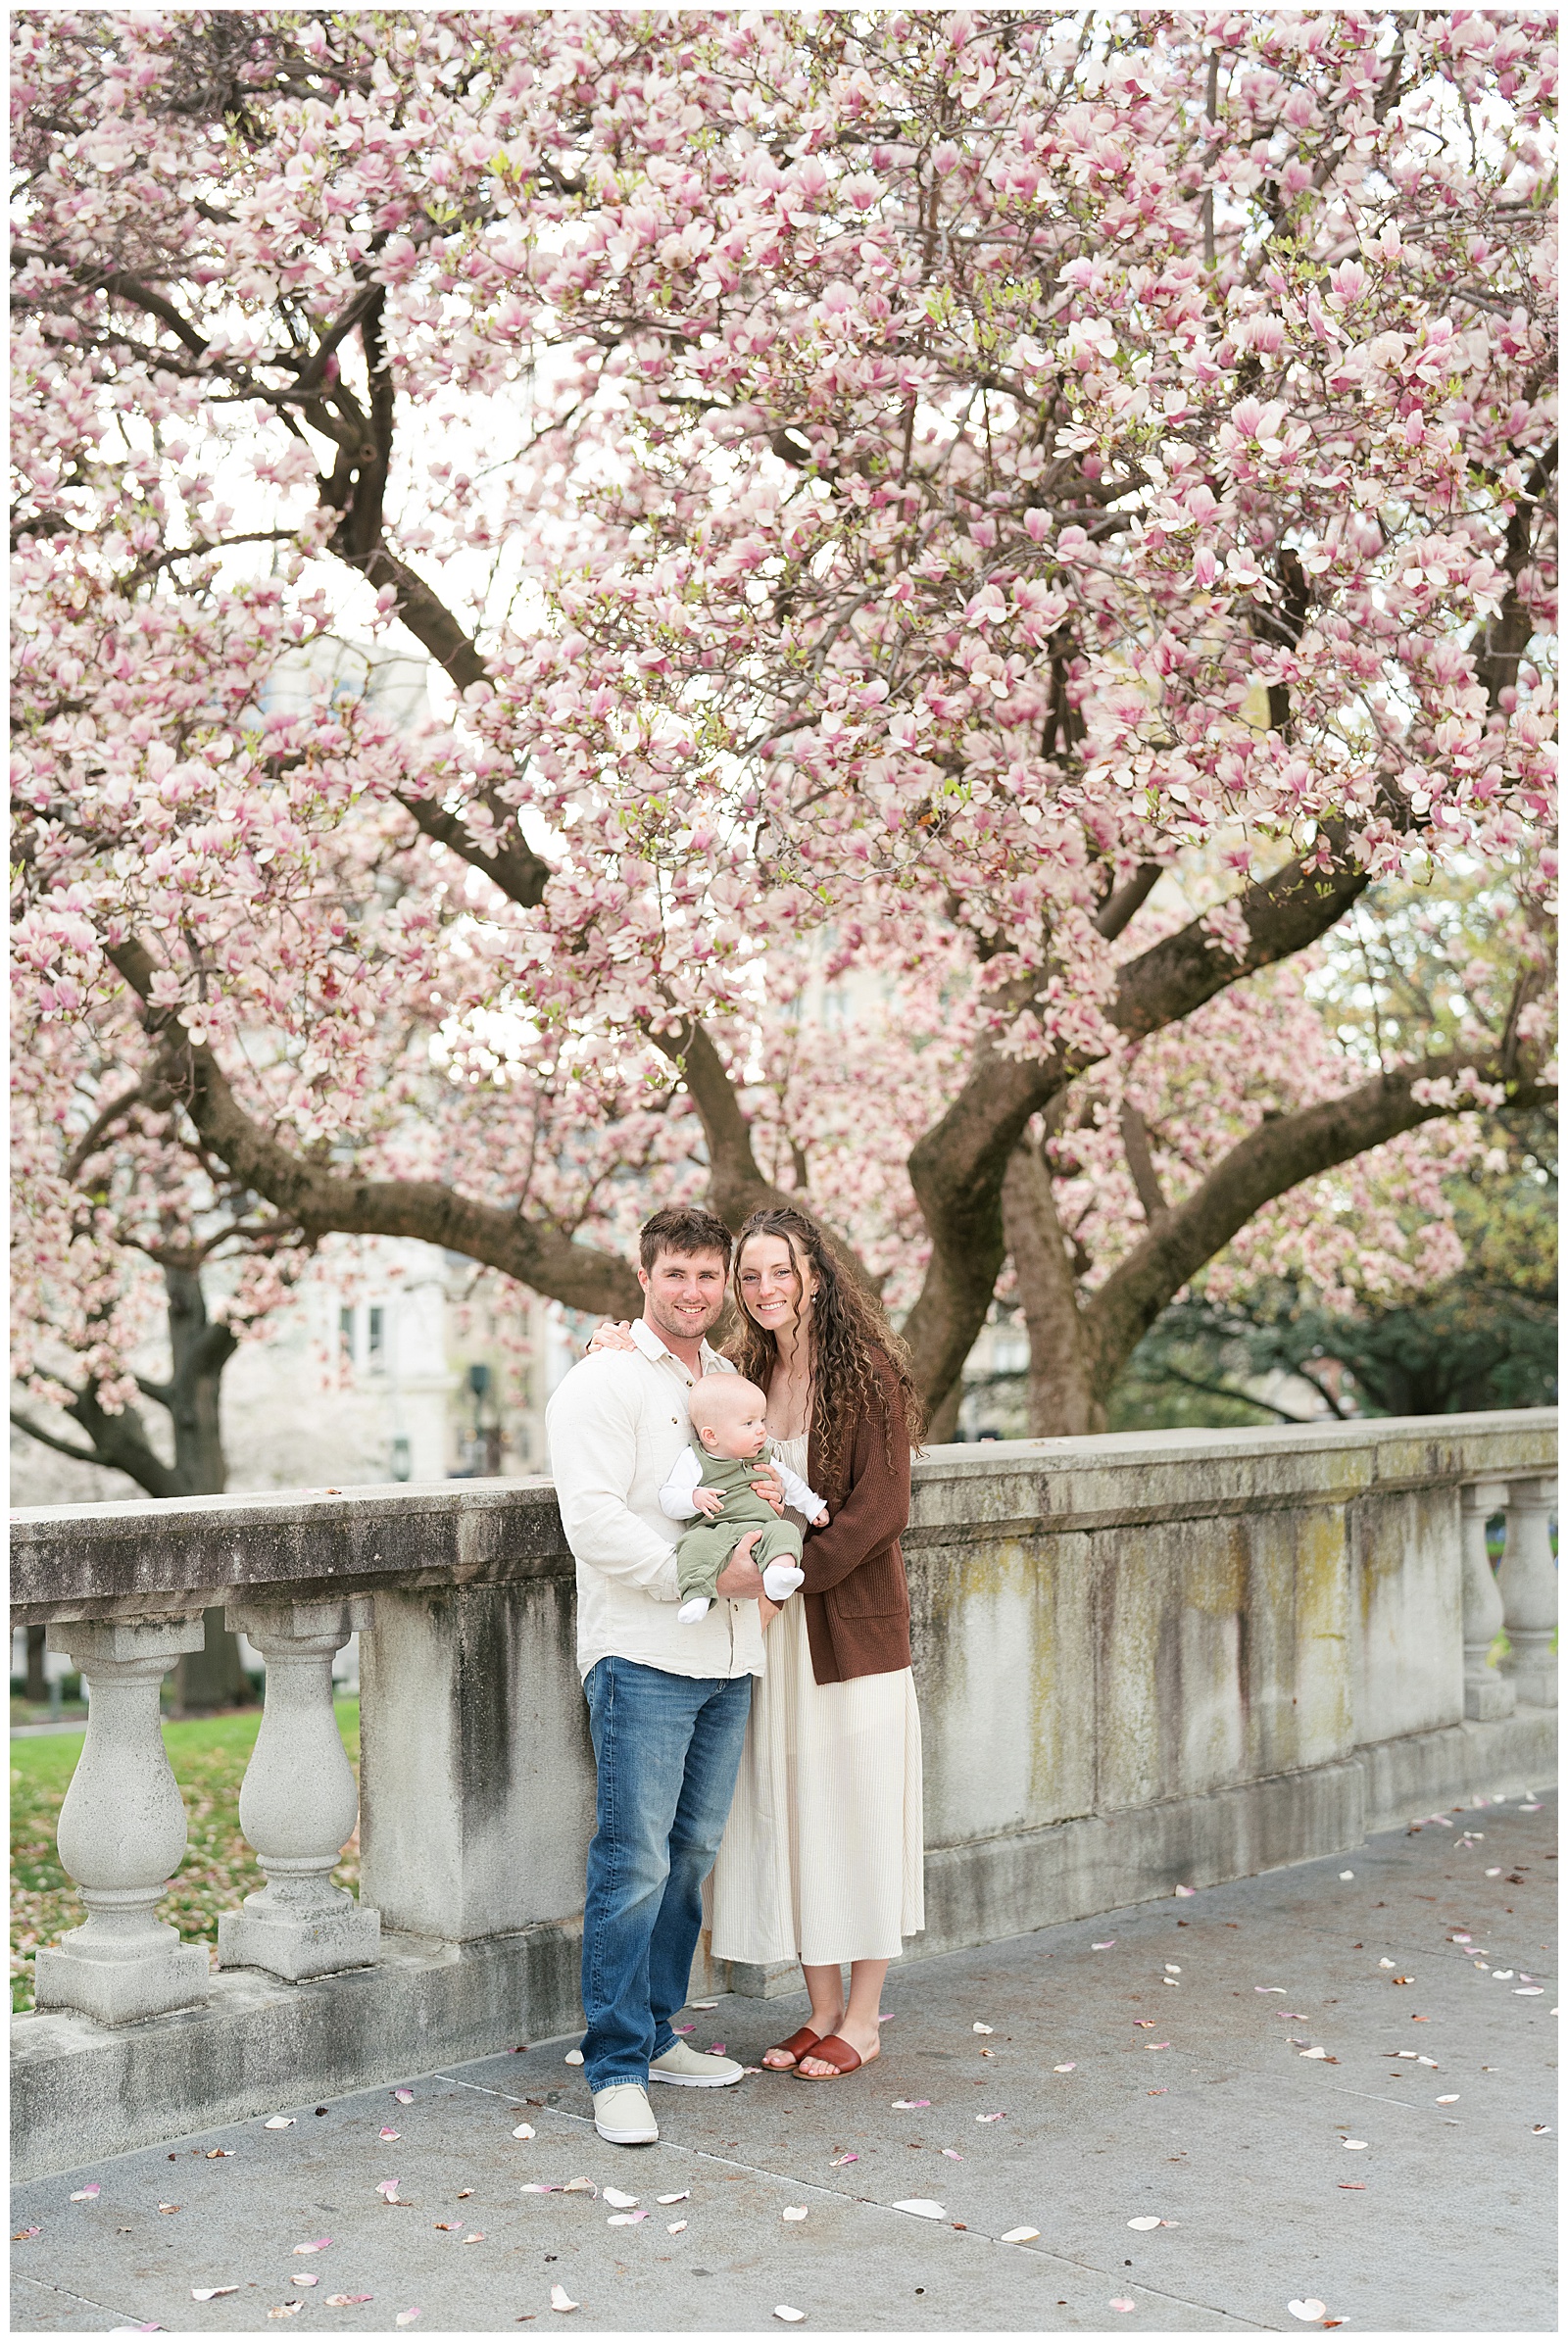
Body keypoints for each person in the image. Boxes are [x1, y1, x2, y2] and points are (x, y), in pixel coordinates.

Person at [590, 1202, 925, 2083]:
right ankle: (817, 2008)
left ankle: (864, 2015)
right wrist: (610, 1342)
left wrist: (793, 1586)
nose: (764, 1288)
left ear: (816, 1272)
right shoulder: (747, 1372)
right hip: (767, 1639)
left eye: (781, 1270)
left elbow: (882, 1511)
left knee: (859, 1813)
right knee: (797, 1813)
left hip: (844, 1632)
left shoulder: (868, 1376)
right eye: (751, 1275)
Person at [545, 1204, 783, 2147]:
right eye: (676, 1274)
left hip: (730, 1654)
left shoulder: (726, 1381)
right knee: (633, 1859)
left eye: (709, 1276)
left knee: (690, 1858)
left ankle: (656, 2032)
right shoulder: (601, 1382)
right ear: (644, 1277)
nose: (695, 1291)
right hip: (642, 1654)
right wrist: (700, 1573)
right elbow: (593, 1522)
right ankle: (612, 2067)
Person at [660, 1376, 822, 1624]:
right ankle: (697, 1595)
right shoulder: (695, 1460)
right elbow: (669, 1498)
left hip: (761, 1528)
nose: (761, 1429)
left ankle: (778, 1573)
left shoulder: (761, 1457)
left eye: (762, 1420)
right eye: (748, 1423)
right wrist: (693, 1497)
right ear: (711, 1436)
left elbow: (790, 1481)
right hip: (715, 1530)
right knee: (692, 1545)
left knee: (785, 1530)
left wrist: (812, 1506)